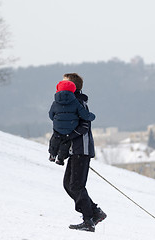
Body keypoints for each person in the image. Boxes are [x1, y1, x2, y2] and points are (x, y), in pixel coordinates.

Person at [61, 73, 107, 232]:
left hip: (82, 149)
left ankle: (89, 220)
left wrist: (68, 135)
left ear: (72, 86)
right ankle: (95, 212)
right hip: (74, 151)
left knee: (76, 185)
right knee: (68, 185)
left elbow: (84, 126)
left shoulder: (79, 103)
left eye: (64, 82)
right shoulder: (68, 104)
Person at [48, 80, 95, 165]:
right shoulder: (75, 102)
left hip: (58, 128)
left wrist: (56, 121)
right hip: (70, 128)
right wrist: (92, 116)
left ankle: (52, 154)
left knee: (55, 139)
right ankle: (60, 158)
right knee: (66, 142)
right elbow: (84, 114)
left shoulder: (55, 103)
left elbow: (51, 115)